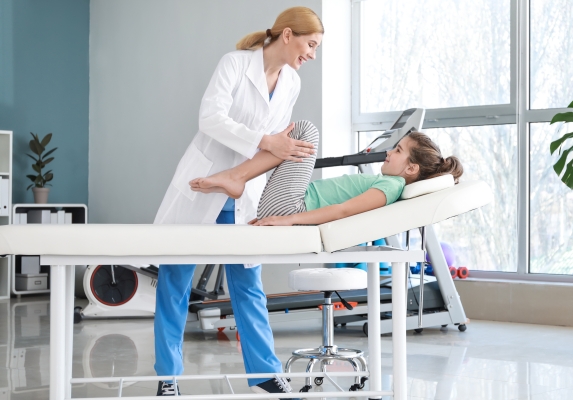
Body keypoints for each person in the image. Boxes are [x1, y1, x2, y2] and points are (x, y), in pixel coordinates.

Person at [152, 7, 323, 399]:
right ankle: (168, 377)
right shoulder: (234, 63)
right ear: (287, 35)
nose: (312, 54)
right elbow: (209, 118)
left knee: (248, 283)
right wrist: (265, 141)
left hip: (244, 191)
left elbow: (280, 141)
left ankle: (264, 372)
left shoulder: (291, 82)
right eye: (310, 44)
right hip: (202, 184)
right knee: (175, 280)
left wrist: (272, 149)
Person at [190, 130, 464, 226]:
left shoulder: (390, 186)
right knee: (299, 136)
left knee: (306, 132)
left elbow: (342, 210)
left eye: (399, 150)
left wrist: (289, 219)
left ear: (411, 169)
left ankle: (236, 177)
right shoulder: (390, 183)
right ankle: (235, 180)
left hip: (291, 207)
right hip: (289, 204)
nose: (390, 152)